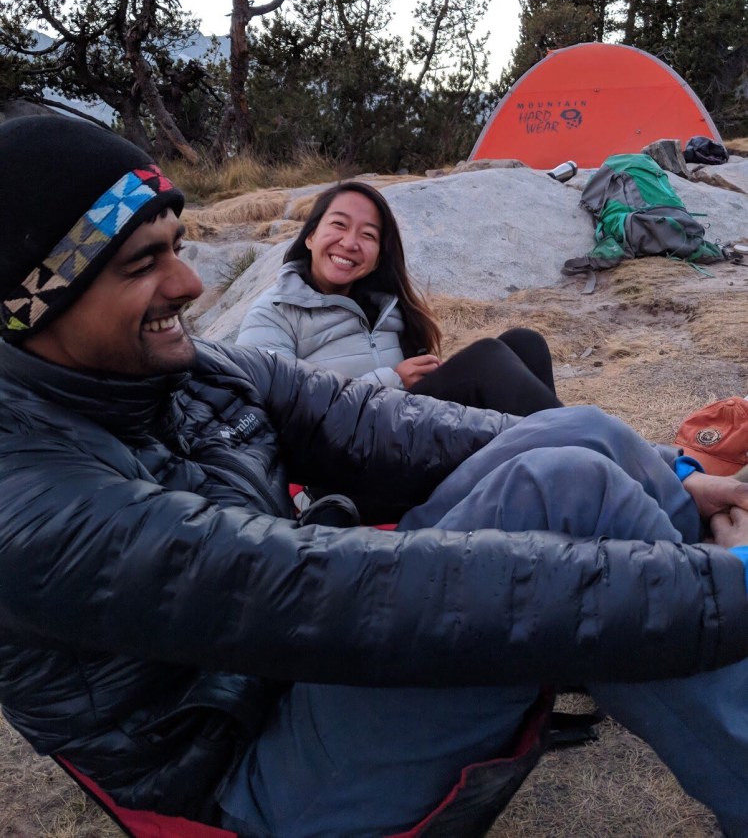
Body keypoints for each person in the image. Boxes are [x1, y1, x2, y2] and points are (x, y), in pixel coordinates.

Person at [1, 116, 748, 838]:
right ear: (37, 304)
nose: (189, 282)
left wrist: (669, 474)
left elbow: (385, 423)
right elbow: (322, 592)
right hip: (247, 776)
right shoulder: (27, 497)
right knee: (575, 503)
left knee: (577, 440)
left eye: (176, 247)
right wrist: (729, 583)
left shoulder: (193, 374)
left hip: (303, 672)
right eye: (142, 264)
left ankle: (705, 574)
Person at [237, 181, 562, 416]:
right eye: (338, 225)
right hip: (339, 456)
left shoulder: (386, 307)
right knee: (486, 360)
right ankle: (577, 447)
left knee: (524, 344)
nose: (350, 243)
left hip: (404, 429)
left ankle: (553, 463)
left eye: (367, 235)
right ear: (310, 236)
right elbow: (270, 405)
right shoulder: (274, 312)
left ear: (378, 257)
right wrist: (391, 379)